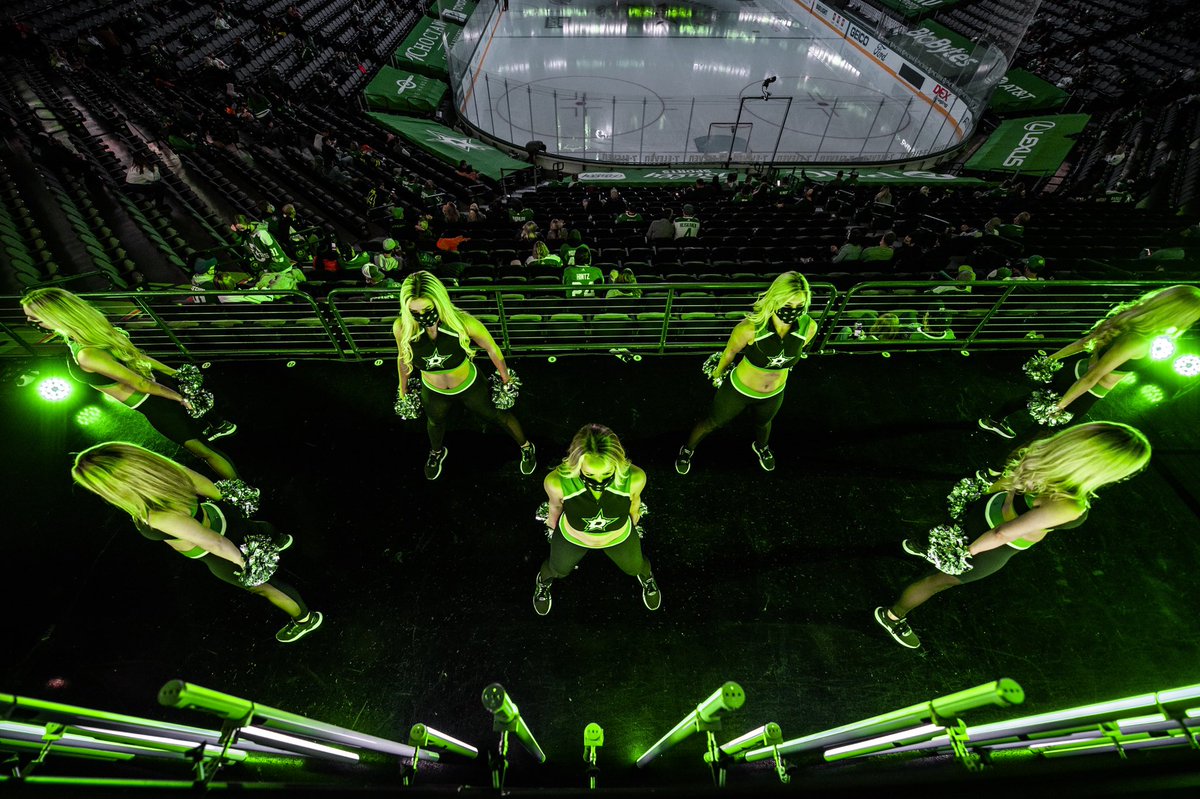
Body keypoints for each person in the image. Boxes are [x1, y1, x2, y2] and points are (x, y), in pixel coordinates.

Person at [875, 422, 1151, 649]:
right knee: (936, 581)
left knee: (947, 531)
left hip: (983, 511)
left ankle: (920, 546)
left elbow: (1005, 482)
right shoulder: (1069, 504)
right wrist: (964, 553)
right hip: (991, 546)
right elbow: (1002, 533)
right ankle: (892, 616)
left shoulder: (1044, 449)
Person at [71, 442, 323, 643]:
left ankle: (305, 619)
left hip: (218, 551)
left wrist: (246, 565)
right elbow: (208, 487)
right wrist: (235, 504)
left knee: (267, 587)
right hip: (222, 517)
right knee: (254, 530)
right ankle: (278, 540)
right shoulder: (162, 469)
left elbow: (214, 543)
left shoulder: (155, 516)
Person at [21, 288, 238, 478]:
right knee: (200, 429)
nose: (30, 323)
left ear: (57, 316)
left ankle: (241, 494)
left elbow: (140, 384)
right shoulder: (96, 329)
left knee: (204, 451)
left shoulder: (86, 353)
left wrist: (179, 398)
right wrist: (174, 376)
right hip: (161, 385)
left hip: (155, 403)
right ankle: (220, 425)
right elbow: (138, 357)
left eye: (36, 319)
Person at [979, 285, 1200, 439]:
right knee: (1042, 432)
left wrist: (1051, 359)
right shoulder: (1140, 340)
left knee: (1036, 397)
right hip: (1087, 390)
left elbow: (1084, 342)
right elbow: (1093, 376)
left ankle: (993, 420)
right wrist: (1061, 406)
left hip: (1074, 370)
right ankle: (995, 473)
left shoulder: (1129, 314)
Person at [393, 271, 537, 480]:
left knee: (496, 416)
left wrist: (506, 379)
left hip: (469, 385)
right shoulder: (403, 328)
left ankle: (526, 446)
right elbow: (403, 358)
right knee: (434, 423)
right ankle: (436, 452)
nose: (422, 315)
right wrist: (402, 388)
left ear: (439, 302)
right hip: (433, 390)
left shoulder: (462, 323)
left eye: (427, 309)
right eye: (414, 310)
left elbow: (492, 347)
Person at [676, 272, 817, 474]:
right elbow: (730, 352)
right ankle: (687, 449)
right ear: (775, 300)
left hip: (774, 393)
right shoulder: (750, 328)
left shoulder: (809, 327)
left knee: (764, 424)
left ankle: (761, 447)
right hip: (739, 390)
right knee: (713, 422)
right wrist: (718, 374)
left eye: (799, 306)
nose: (793, 311)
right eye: (787, 305)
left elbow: (794, 353)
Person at [532, 424, 660, 615]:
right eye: (590, 474)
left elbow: (635, 503)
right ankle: (543, 583)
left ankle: (646, 578)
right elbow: (555, 507)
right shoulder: (556, 481)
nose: (598, 481)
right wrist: (552, 528)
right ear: (577, 464)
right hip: (573, 537)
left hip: (618, 536)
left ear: (617, 462)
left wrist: (632, 528)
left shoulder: (635, 477)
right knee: (557, 568)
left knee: (635, 567)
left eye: (607, 473)